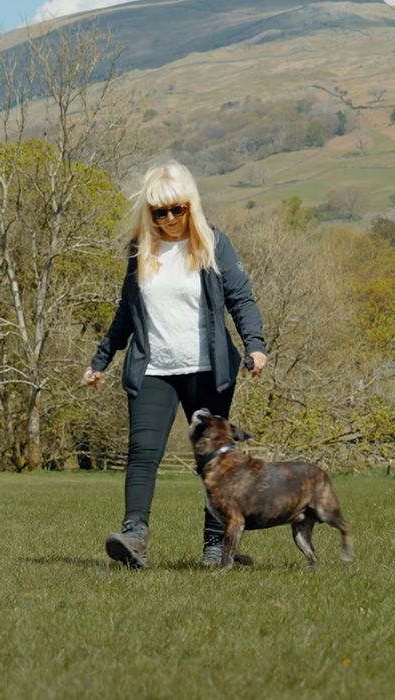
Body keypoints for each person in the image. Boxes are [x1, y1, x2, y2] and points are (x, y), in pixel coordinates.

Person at [83, 161, 267, 569]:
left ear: (191, 206)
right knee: (142, 451)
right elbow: (125, 313)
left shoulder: (214, 245)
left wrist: (255, 345)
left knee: (216, 460)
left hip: (207, 370)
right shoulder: (139, 250)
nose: (168, 219)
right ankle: (134, 538)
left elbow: (241, 299)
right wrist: (100, 360)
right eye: (158, 212)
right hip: (154, 370)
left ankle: (216, 547)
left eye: (176, 210)